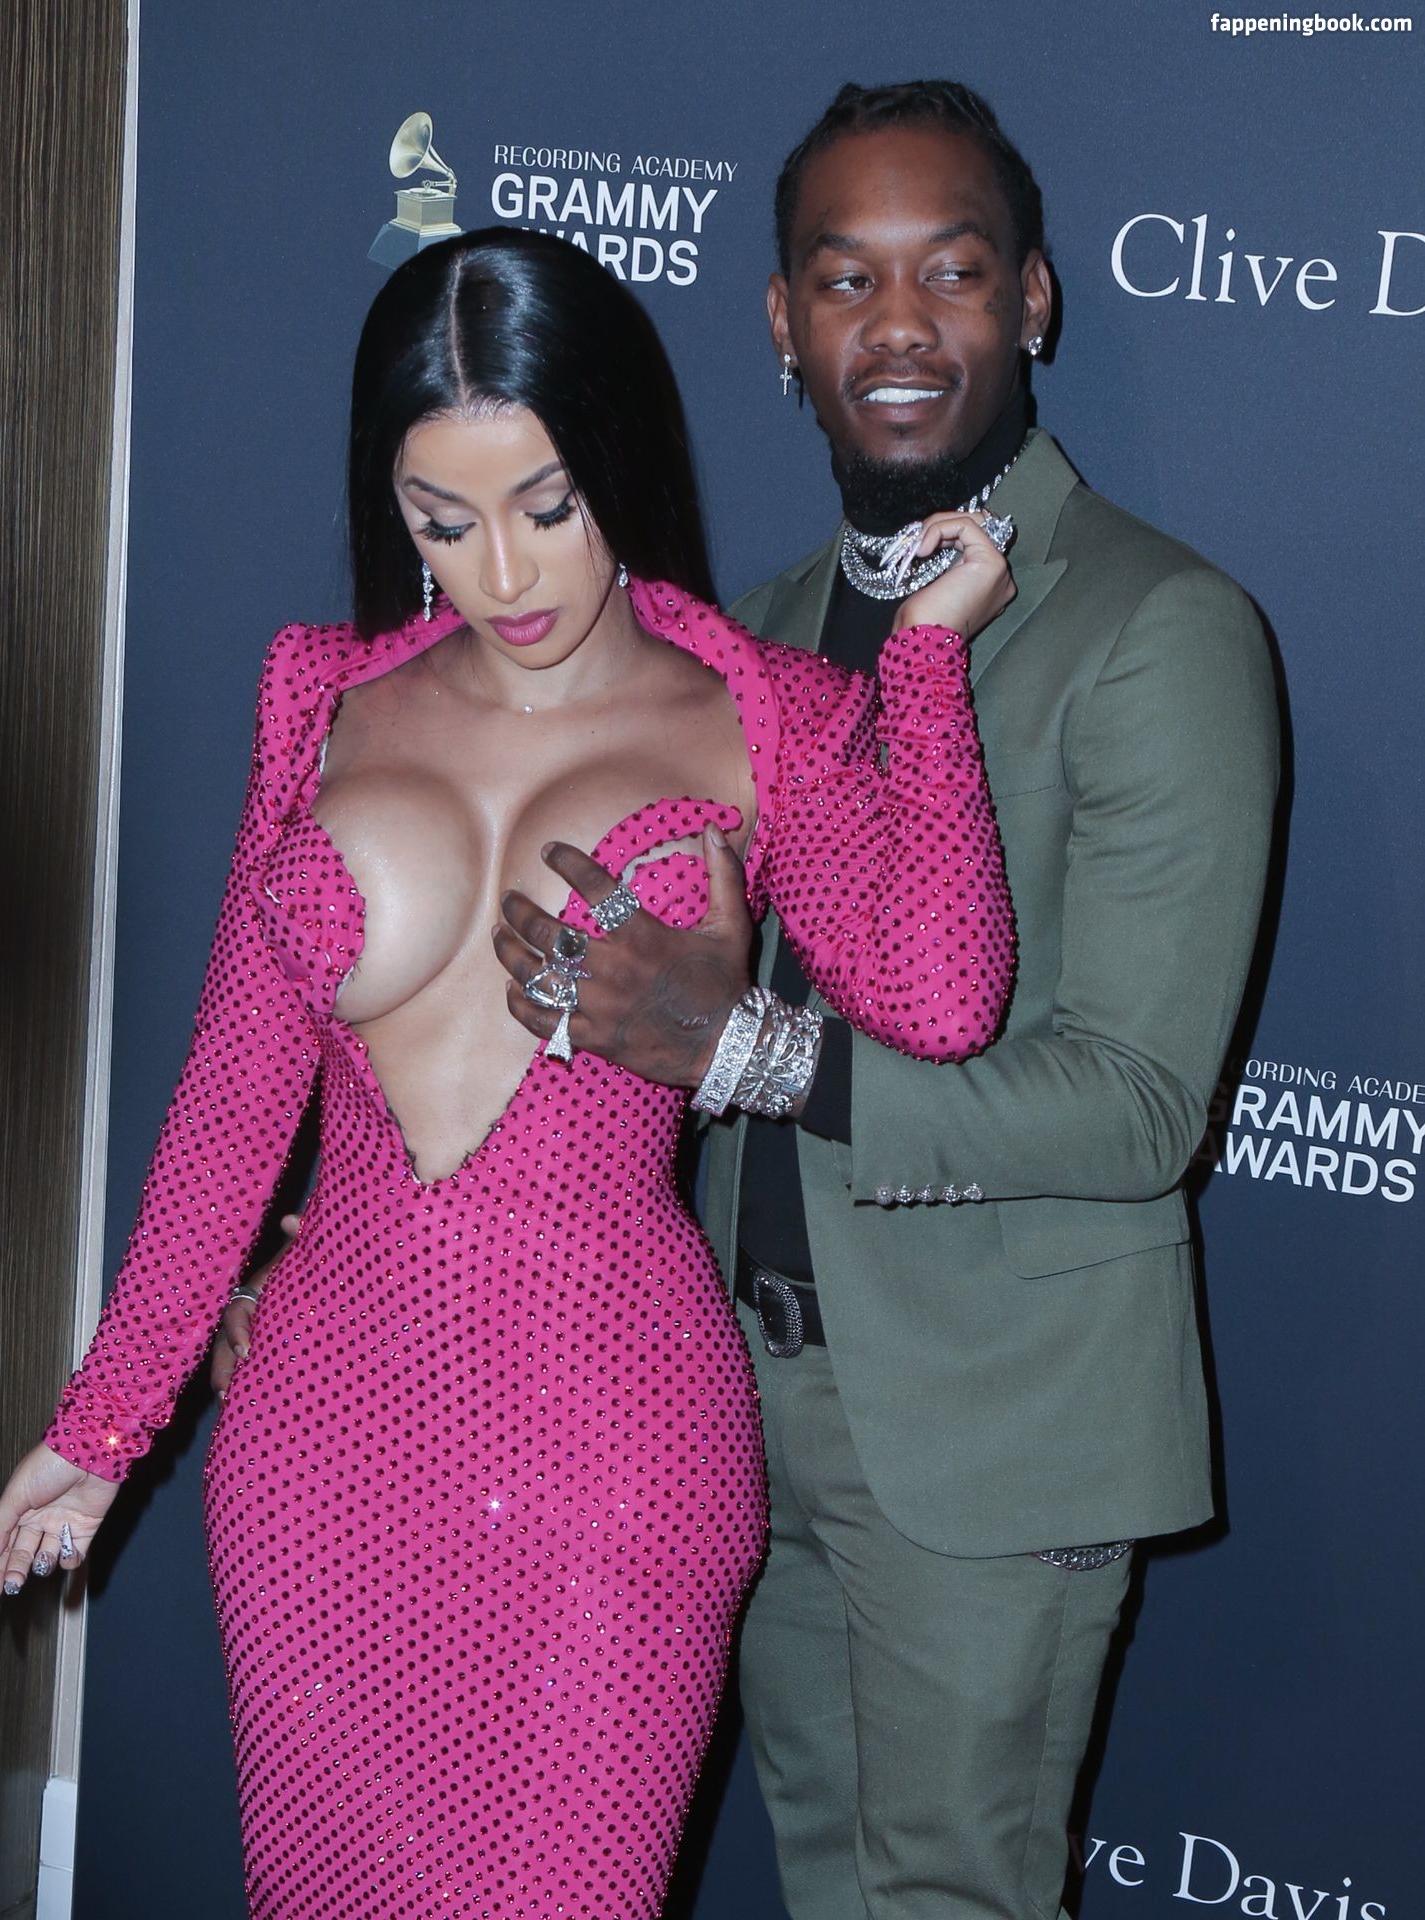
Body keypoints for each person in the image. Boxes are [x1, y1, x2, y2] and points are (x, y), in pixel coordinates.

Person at [0, 227, 1016, 1918]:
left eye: (547, 504)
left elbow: (945, 998)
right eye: (440, 521)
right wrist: (104, 1427)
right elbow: (234, 1098)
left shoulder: (766, 715)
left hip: (614, 1454)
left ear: (618, 462)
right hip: (319, 1452)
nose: (504, 574)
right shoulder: (320, 700)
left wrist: (929, 664)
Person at [492, 83, 1281, 1920]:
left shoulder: (1156, 627)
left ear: (1034, 301)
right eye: (848, 279)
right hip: (726, 1392)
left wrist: (749, 1049)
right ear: (783, 322)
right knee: (823, 1887)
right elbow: (634, 1017)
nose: (901, 324)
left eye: (955, 271)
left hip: (991, 1426)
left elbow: (1136, 1105)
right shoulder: (755, 632)